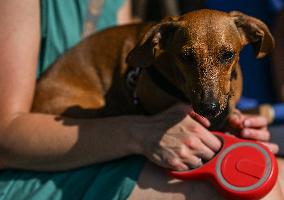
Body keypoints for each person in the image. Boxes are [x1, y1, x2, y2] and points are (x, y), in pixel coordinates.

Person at [0, 1, 282, 199]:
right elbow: (4, 138)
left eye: (226, 56)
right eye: (187, 57)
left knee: (276, 176)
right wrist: (142, 132)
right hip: (46, 154)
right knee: (242, 192)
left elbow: (124, 75)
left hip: (118, 132)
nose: (209, 91)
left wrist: (227, 126)